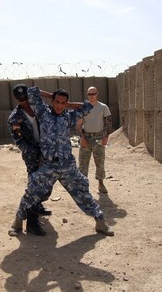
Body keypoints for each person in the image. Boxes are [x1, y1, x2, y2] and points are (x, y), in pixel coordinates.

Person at [8, 86, 114, 237]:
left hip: (67, 167)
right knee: (31, 192)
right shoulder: (43, 113)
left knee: (83, 193)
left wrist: (67, 103)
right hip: (48, 166)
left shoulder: (69, 117)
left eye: (62, 103)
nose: (59, 105)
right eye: (56, 102)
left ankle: (100, 222)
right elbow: (32, 91)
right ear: (52, 101)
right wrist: (54, 95)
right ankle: (17, 222)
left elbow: (88, 106)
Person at [8, 84, 52, 235]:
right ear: (16, 99)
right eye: (21, 99)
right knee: (35, 186)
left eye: (26, 97)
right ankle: (31, 223)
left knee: (48, 184)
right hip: (32, 154)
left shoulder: (38, 107)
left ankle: (37, 206)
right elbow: (19, 141)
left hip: (47, 151)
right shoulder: (15, 117)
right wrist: (35, 155)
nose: (24, 101)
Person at [76, 86, 113, 193]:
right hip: (86, 138)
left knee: (100, 163)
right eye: (89, 94)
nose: (92, 96)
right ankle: (83, 187)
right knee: (83, 164)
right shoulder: (84, 108)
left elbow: (108, 123)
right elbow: (78, 125)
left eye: (94, 93)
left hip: (99, 138)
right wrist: (81, 138)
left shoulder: (103, 107)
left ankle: (101, 184)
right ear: (87, 95)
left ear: (97, 94)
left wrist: (106, 137)